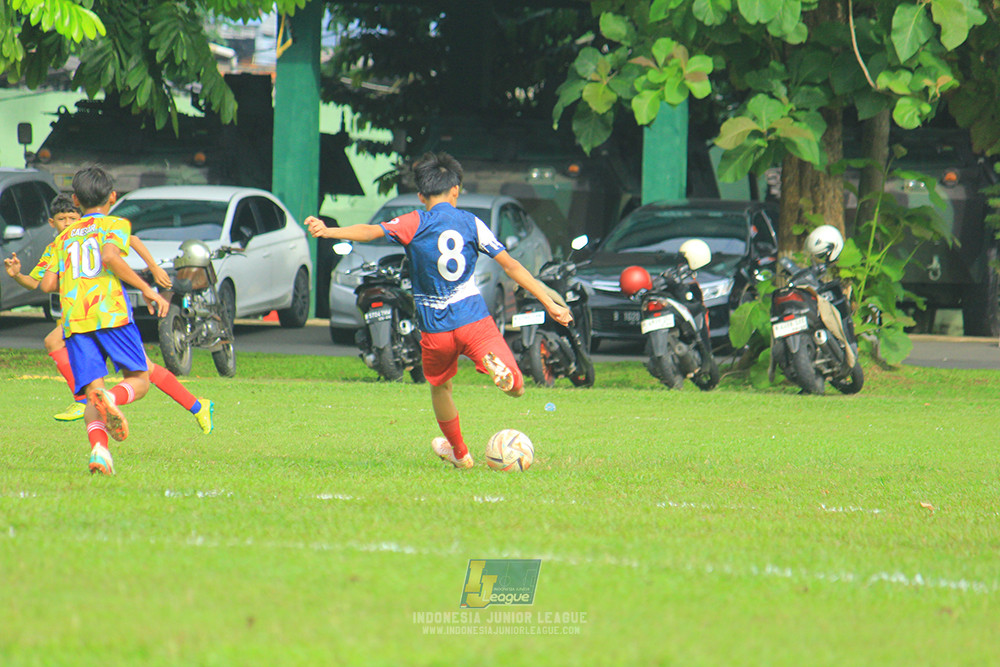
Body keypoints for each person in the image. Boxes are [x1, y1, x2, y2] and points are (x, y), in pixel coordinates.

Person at [305, 151, 571, 469]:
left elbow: (370, 231)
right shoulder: (472, 223)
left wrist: (328, 231)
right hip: (473, 318)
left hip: (436, 328)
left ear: (421, 195)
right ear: (456, 191)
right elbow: (512, 266)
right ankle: (506, 377)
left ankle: (460, 454)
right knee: (518, 389)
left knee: (440, 387)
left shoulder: (414, 222)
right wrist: (549, 302)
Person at [4, 194, 214, 434]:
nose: (68, 222)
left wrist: (154, 269)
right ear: (52, 223)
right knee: (139, 368)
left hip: (103, 308)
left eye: (72, 217)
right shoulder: (58, 245)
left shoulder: (93, 231)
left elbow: (132, 239)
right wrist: (17, 275)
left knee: (143, 368)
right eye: (62, 219)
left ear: (80, 215)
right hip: (81, 312)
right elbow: (37, 283)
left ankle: (85, 400)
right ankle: (197, 406)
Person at [39, 166, 172, 475]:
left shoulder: (64, 236)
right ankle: (112, 397)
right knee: (140, 379)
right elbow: (110, 256)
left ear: (75, 200)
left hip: (75, 319)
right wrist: (146, 288)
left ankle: (100, 451)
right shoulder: (115, 223)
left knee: (91, 394)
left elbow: (47, 285)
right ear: (113, 196)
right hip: (110, 313)